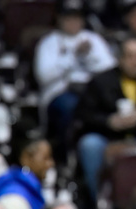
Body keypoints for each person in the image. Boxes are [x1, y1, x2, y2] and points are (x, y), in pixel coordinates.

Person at [74, 37, 136, 209]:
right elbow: (84, 114)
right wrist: (109, 121)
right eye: (131, 56)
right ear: (120, 58)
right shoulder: (100, 81)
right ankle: (97, 202)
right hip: (107, 136)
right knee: (90, 145)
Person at [34, 0, 115, 155]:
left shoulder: (94, 40)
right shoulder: (49, 42)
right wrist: (73, 56)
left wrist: (89, 58)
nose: (73, 22)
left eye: (77, 17)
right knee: (71, 107)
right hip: (60, 93)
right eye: (68, 18)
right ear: (60, 19)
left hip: (91, 93)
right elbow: (43, 77)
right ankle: (64, 154)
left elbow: (110, 71)